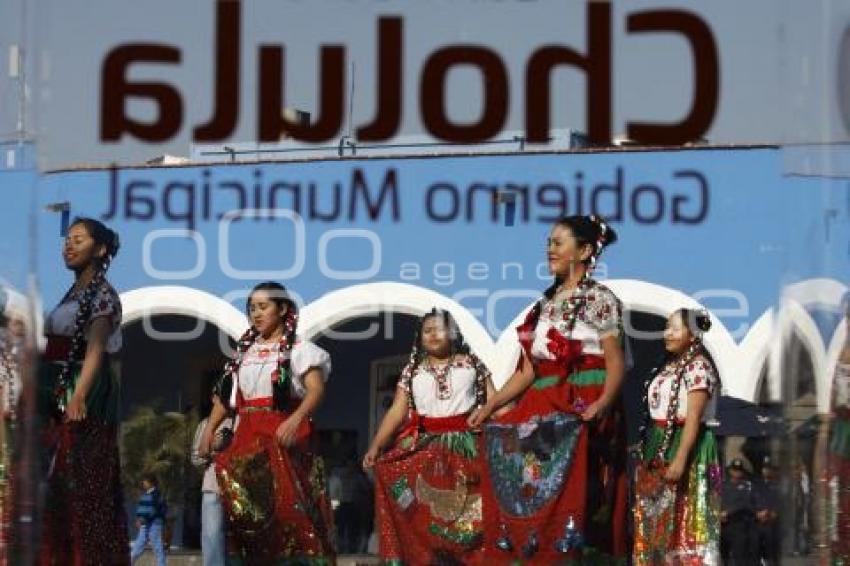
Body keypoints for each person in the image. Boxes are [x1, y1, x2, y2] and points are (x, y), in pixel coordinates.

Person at [469, 215, 627, 562]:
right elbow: (528, 372)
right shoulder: (542, 307)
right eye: (548, 243)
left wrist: (602, 405)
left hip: (580, 400)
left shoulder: (601, 300)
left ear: (584, 250)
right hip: (543, 399)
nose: (550, 249)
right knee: (525, 478)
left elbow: (615, 363)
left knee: (577, 493)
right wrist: (491, 403)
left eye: (558, 242)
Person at [199, 281, 334, 563]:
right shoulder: (243, 353)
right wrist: (209, 429)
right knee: (214, 491)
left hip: (281, 435)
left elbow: (316, 390)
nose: (256, 314)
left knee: (282, 513)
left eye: (263, 307)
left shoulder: (299, 349)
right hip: (245, 434)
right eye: (251, 309)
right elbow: (226, 398)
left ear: (282, 309)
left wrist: (295, 419)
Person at [364, 308, 496, 564]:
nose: (433, 334)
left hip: (467, 447)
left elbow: (495, 400)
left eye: (440, 329)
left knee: (472, 512)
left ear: (453, 333)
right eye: (427, 330)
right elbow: (397, 411)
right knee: (423, 515)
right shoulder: (412, 371)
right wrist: (376, 446)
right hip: (423, 448)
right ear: (420, 337)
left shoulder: (472, 363)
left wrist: (514, 429)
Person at [38, 217, 128, 564]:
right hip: (53, 387)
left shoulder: (104, 296)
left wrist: (78, 395)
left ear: (100, 249)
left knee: (81, 481)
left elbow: (95, 350)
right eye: (67, 240)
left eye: (78, 239)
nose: (69, 245)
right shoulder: (69, 296)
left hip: (80, 389)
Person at [632, 308, 722, 564]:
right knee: (655, 518)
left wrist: (681, 458)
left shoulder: (699, 367)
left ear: (692, 334)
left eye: (674, 328)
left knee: (686, 516)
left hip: (686, 444)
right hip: (659, 441)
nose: (667, 334)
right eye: (666, 327)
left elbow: (693, 417)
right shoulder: (667, 366)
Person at [191, 397, 235, 566]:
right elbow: (195, 458)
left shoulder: (242, 419)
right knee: (212, 536)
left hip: (238, 489)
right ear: (213, 399)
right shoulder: (205, 425)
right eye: (219, 397)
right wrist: (212, 449)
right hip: (212, 487)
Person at [721, 458, 757, 564]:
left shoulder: (747, 486)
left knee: (740, 558)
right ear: (730, 470)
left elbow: (746, 504)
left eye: (739, 470)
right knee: (723, 557)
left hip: (739, 526)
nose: (736, 472)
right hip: (723, 526)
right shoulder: (723, 485)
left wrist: (728, 512)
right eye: (734, 470)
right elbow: (716, 500)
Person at [130, 473, 168, 566]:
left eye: (145, 481)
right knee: (138, 545)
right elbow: (142, 508)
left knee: (157, 547)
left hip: (155, 524)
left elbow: (155, 510)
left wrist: (144, 519)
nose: (143, 483)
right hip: (145, 524)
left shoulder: (157, 495)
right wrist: (139, 518)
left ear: (151, 482)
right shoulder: (145, 495)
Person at [753, 456, 781, 565]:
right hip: (758, 523)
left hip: (771, 524)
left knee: (771, 554)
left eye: (769, 468)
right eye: (765, 468)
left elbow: (780, 503)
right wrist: (757, 513)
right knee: (757, 552)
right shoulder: (756, 485)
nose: (766, 471)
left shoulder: (777, 485)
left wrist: (772, 512)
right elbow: (751, 501)